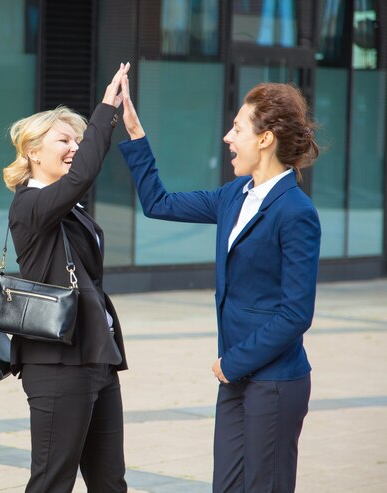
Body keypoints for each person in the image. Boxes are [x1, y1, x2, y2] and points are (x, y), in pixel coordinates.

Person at [119, 79, 320, 492]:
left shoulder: (297, 212)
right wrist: (137, 136)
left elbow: (296, 313)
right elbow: (159, 203)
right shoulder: (234, 195)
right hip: (237, 378)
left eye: (237, 129)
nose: (228, 138)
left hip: (275, 381)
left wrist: (233, 361)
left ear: (265, 139)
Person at [1, 63, 130, 493]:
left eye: (78, 138)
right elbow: (82, 176)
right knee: (53, 481)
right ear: (33, 152)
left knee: (110, 480)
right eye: (64, 139)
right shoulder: (30, 206)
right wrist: (106, 110)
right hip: (57, 363)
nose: (74, 146)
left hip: (97, 355)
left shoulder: (67, 206)